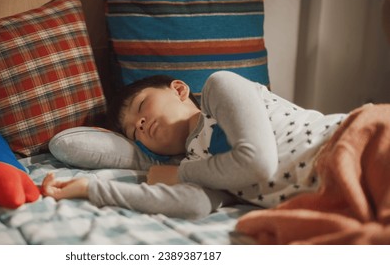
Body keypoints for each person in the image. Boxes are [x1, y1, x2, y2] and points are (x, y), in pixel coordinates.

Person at [41, 71, 346, 219]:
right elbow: (194, 205)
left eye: (142, 106)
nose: (141, 124)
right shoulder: (196, 165)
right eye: (135, 132)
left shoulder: (219, 88)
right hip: (340, 195)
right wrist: (90, 188)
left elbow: (256, 162)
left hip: (350, 141)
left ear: (179, 89)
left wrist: (178, 175)